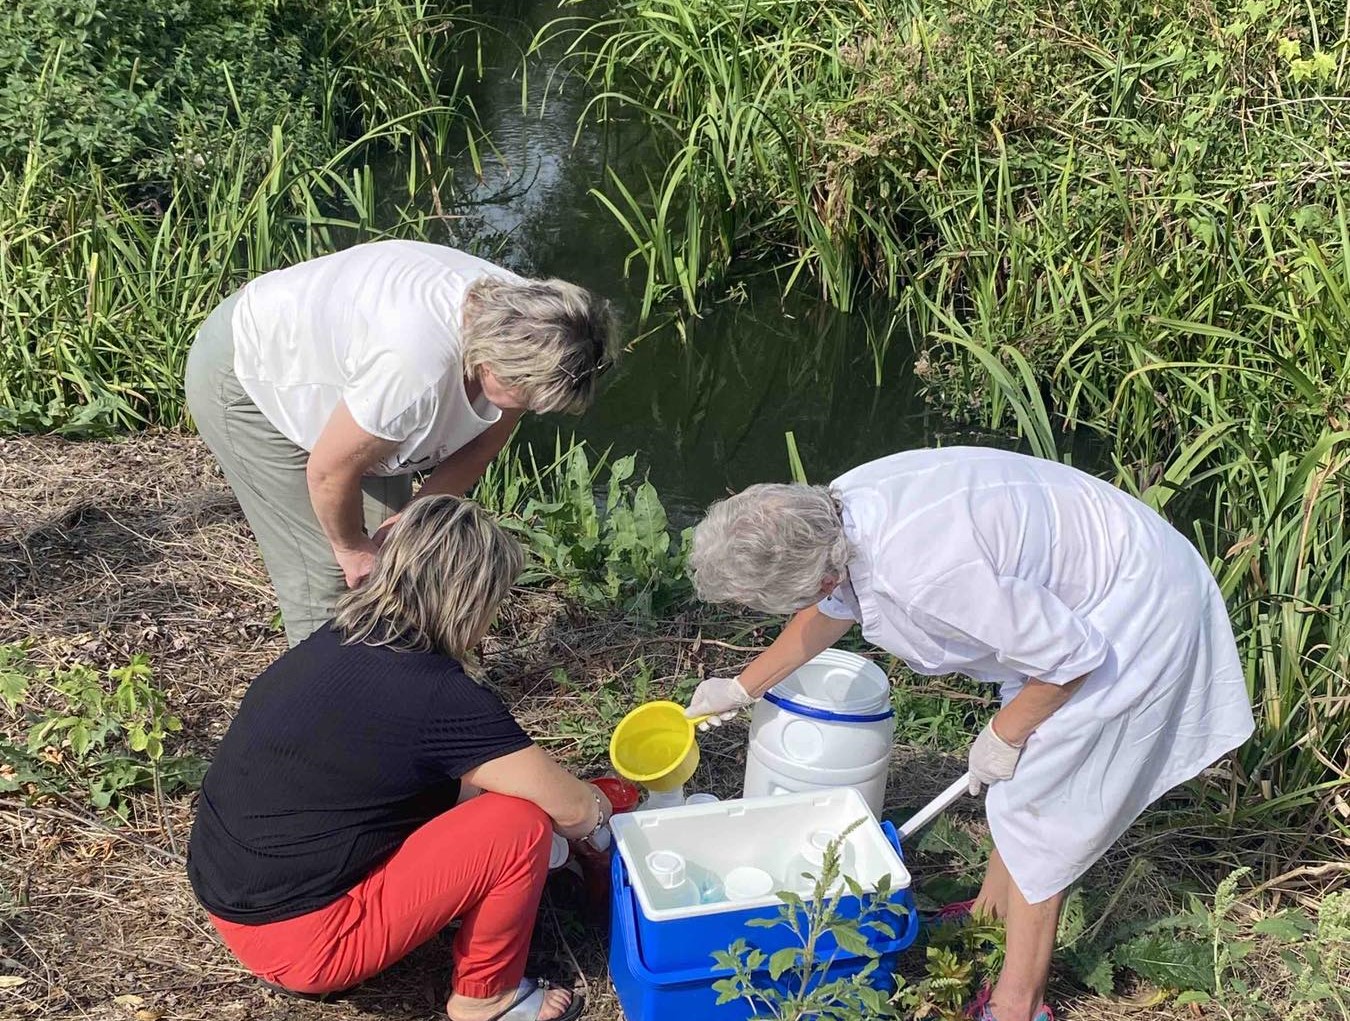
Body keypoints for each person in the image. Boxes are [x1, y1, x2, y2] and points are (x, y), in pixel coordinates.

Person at [682, 447, 1254, 1021]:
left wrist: (1004, 735)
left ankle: (1017, 1006)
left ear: (817, 571)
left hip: (1132, 607)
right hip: (1081, 591)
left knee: (1039, 808)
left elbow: (1072, 657)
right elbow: (832, 605)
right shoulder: (833, 512)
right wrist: (741, 687)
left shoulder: (923, 572)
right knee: (1022, 785)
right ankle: (990, 918)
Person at [187, 494, 609, 1021]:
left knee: (478, 794)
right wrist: (601, 823)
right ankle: (487, 999)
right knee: (517, 823)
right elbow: (572, 808)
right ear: (470, 600)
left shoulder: (335, 639)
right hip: (304, 942)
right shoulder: (438, 694)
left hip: (231, 892)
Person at [185, 239, 616, 646]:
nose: (532, 410)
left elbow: (482, 445)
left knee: (405, 559)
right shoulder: (416, 368)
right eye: (526, 395)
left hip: (355, 378)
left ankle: (399, 678)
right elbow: (329, 471)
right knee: (326, 571)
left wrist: (408, 521)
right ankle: (330, 703)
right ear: (492, 361)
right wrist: (352, 548)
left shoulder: (543, 325)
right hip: (252, 373)